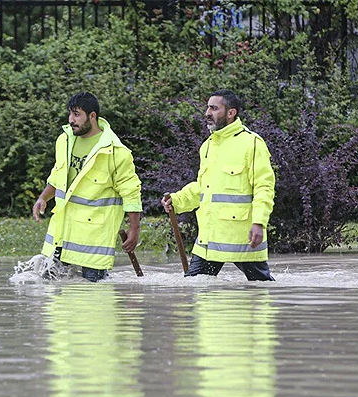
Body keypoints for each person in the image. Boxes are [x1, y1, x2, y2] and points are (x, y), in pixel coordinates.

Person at [161, 89, 276, 281]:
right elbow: (203, 187)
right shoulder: (207, 146)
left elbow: (264, 187)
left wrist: (259, 223)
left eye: (214, 108)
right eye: (207, 107)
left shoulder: (252, 143)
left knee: (261, 291)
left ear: (231, 113)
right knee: (194, 287)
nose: (207, 113)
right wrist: (177, 200)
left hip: (242, 238)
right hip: (209, 240)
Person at [32, 92, 142, 282]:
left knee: (94, 296)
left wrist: (134, 228)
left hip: (94, 240)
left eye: (76, 114)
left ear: (92, 116)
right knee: (49, 287)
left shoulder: (116, 151)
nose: (71, 120)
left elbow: (131, 193)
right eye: (70, 114)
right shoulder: (64, 140)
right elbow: (57, 176)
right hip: (62, 234)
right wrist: (43, 198)